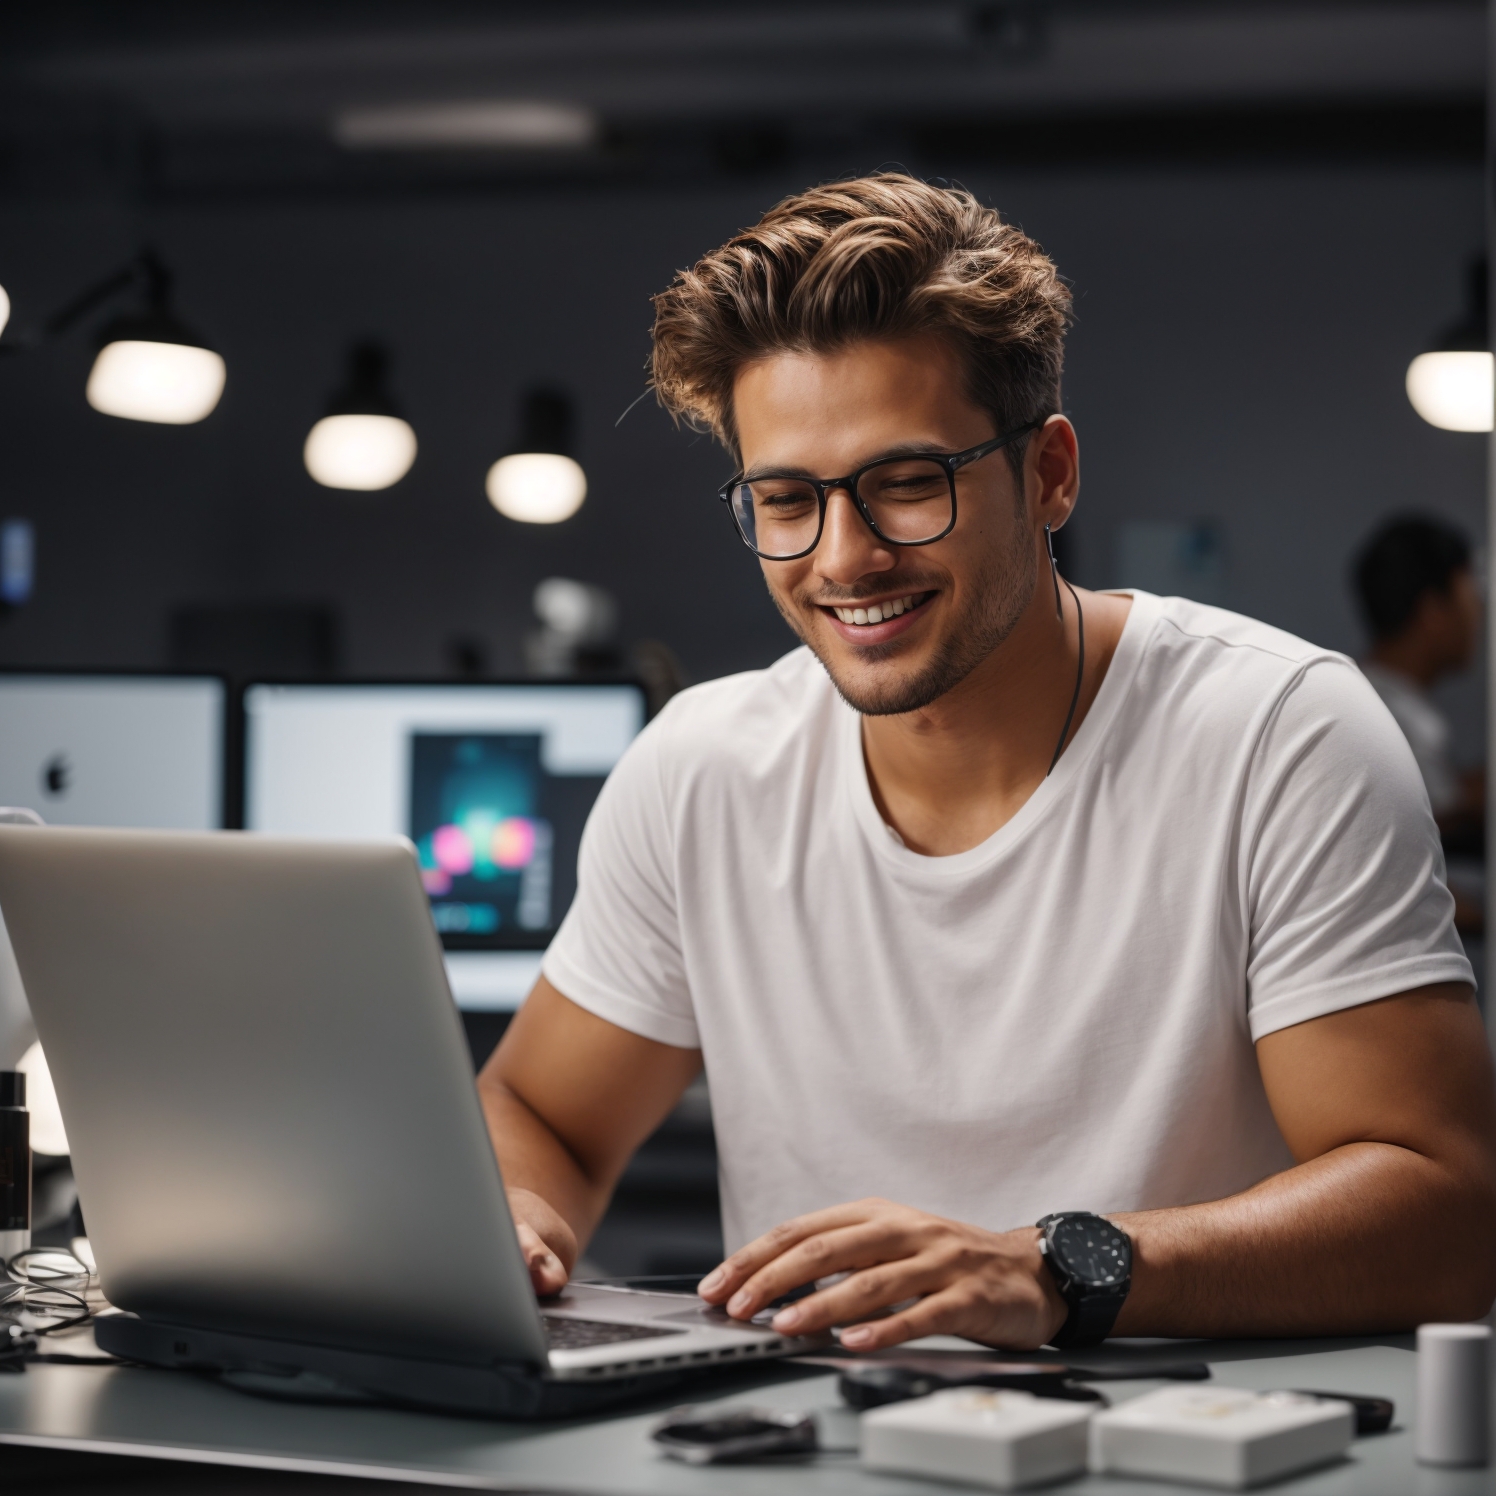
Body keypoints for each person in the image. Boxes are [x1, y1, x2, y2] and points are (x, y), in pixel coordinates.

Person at [478, 174, 1496, 1351]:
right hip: (805, 1454)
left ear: (1048, 472)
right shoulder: (699, 769)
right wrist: (513, 1215)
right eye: (785, 499)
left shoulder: (1279, 731)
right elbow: (538, 1109)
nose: (844, 557)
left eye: (906, 483)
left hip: (1191, 1455)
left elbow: (1448, 1216)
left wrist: (1054, 1265)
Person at [1354, 516, 1484, 856]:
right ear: (1433, 612)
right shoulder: (1390, 715)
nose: (1479, 616)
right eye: (1471, 597)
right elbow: (1432, 823)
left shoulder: (1384, 698)